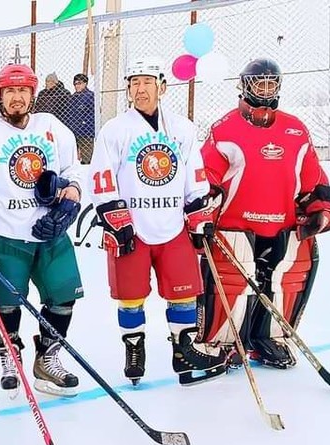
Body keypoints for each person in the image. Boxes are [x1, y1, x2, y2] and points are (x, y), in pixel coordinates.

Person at [87, 58, 227, 387]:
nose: (140, 89)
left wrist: (199, 213)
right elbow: (102, 177)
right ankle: (134, 350)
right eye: (134, 82)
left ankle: (184, 351)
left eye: (147, 82)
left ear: (161, 86)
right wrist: (114, 216)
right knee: (130, 296)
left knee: (184, 292)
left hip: (173, 225)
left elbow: (195, 176)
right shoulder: (114, 130)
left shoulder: (182, 128)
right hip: (131, 228)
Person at [199, 58, 330, 369]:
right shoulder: (224, 128)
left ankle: (270, 339)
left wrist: (320, 208)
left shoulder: (296, 129)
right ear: (244, 86)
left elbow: (312, 179)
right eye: (259, 83)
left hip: (283, 224)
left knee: (285, 280)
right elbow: (206, 177)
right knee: (233, 283)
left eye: (271, 83)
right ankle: (225, 341)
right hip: (235, 227)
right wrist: (202, 214)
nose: (265, 89)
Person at [0, 63, 85, 397]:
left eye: (23, 91)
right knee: (6, 302)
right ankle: (9, 354)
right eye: (10, 91)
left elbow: (73, 169)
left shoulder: (51, 126)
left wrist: (73, 191)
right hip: (3, 234)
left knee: (64, 293)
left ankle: (48, 357)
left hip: (50, 234)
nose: (17, 98)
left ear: (33, 95)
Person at [69, 73, 96, 164]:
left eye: (79, 83)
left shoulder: (90, 96)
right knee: (72, 157)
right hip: (74, 131)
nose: (77, 86)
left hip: (86, 132)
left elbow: (93, 113)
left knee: (87, 158)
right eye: (75, 84)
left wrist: (84, 123)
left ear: (85, 83)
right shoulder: (73, 97)